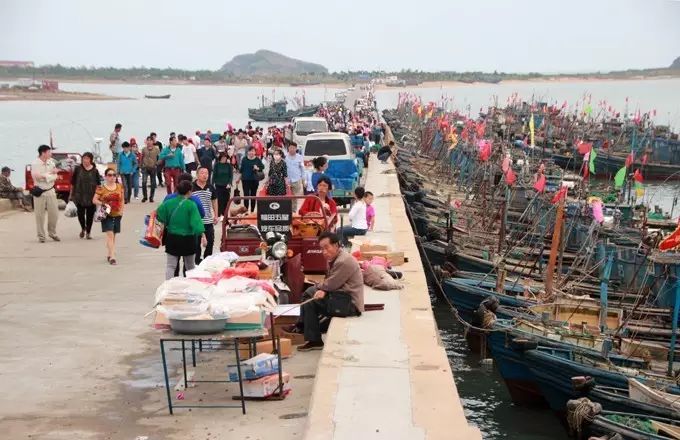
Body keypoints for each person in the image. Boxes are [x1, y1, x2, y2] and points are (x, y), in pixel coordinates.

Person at [291, 232, 364, 351]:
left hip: (350, 304)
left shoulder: (343, 261)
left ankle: (312, 337)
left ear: (336, 245)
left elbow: (332, 283)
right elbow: (331, 283)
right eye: (321, 249)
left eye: (326, 247)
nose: (324, 252)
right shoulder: (337, 257)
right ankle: (304, 328)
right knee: (309, 294)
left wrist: (322, 288)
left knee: (310, 300)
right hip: (341, 297)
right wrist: (323, 289)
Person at [156, 180, 205, 280]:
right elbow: (196, 223)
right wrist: (203, 235)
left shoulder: (168, 203)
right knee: (190, 266)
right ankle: (191, 286)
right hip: (188, 239)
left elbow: (159, 216)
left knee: (171, 265)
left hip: (172, 238)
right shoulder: (191, 205)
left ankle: (168, 287)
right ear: (189, 192)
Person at [93, 168, 124, 265]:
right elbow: (94, 200)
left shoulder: (120, 187)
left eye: (114, 175)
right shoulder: (101, 188)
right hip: (106, 214)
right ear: (106, 176)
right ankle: (113, 257)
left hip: (117, 213)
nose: (112, 177)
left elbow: (122, 200)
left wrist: (122, 210)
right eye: (110, 175)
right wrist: (103, 204)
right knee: (110, 234)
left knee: (113, 235)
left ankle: (109, 253)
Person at [31, 144, 60, 243]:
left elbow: (55, 176)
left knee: (54, 214)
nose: (50, 153)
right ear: (43, 153)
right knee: (39, 215)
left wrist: (47, 176)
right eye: (49, 152)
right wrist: (50, 174)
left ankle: (52, 232)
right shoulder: (35, 164)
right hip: (40, 192)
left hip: (51, 191)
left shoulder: (51, 162)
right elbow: (37, 177)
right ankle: (41, 236)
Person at [69, 152, 101, 239]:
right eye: (84, 159)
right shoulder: (78, 169)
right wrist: (71, 195)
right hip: (79, 196)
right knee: (80, 214)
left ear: (91, 160)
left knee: (90, 215)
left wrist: (98, 196)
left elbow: (98, 185)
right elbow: (72, 183)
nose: (85, 161)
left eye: (87, 159)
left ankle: (88, 232)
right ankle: (83, 228)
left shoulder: (95, 171)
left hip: (91, 196)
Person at [192, 167, 218, 264]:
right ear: (197, 175)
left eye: (206, 173)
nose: (205, 175)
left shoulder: (210, 187)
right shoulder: (192, 187)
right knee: (196, 244)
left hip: (208, 220)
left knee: (210, 242)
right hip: (196, 221)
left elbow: (214, 201)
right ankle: (197, 262)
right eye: (202, 173)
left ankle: (207, 261)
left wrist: (216, 215)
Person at [237, 147, 264, 213]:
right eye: (250, 151)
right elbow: (241, 170)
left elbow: (262, 167)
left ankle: (252, 211)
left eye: (253, 151)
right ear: (247, 152)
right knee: (246, 196)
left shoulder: (257, 159)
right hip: (245, 180)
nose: (251, 153)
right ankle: (246, 211)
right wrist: (238, 179)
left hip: (254, 180)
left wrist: (257, 168)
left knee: (253, 196)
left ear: (255, 152)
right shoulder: (244, 159)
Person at [213, 152, 234, 219]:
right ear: (220, 158)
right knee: (219, 200)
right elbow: (214, 175)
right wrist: (212, 183)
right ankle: (219, 214)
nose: (224, 159)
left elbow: (231, 176)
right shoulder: (217, 165)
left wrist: (229, 183)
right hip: (218, 185)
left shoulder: (228, 165)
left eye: (225, 158)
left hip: (226, 186)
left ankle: (225, 214)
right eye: (223, 158)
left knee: (226, 200)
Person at [285, 142, 305, 208]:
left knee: (294, 197)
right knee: (286, 197)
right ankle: (286, 210)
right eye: (290, 148)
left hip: (296, 180)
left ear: (296, 149)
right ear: (288, 148)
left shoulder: (299, 157)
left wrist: (303, 179)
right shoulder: (285, 157)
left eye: (293, 148)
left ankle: (293, 211)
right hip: (286, 181)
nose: (292, 149)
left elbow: (302, 168)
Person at [140, 136, 160, 202]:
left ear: (153, 141)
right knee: (144, 182)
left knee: (153, 183)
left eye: (150, 140)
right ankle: (145, 196)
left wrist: (157, 164)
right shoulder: (143, 149)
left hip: (153, 168)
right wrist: (141, 166)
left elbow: (159, 158)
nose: (149, 142)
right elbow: (141, 157)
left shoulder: (156, 149)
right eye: (147, 140)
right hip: (145, 167)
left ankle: (151, 197)